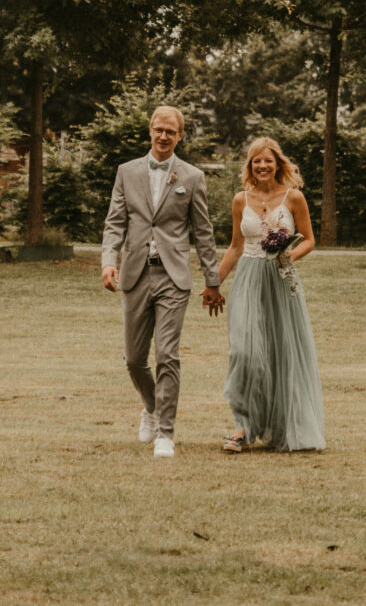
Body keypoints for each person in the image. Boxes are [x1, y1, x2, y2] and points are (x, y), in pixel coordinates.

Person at [100, 105, 222, 458]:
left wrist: (212, 280)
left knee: (167, 354)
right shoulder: (127, 172)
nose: (164, 136)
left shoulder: (192, 176)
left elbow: (203, 232)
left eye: (171, 131)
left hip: (173, 276)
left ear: (180, 135)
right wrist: (110, 261)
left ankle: (165, 434)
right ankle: (151, 406)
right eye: (159, 130)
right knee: (134, 359)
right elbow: (115, 222)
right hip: (135, 275)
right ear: (150, 131)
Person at [212, 137, 324, 453]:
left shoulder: (294, 198)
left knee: (282, 351)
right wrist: (213, 283)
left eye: (267, 161)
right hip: (247, 278)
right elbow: (235, 246)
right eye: (256, 161)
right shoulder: (240, 200)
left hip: (281, 280)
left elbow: (309, 240)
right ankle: (241, 426)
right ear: (250, 166)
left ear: (278, 164)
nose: (262, 166)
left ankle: (286, 427)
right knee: (245, 352)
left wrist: (288, 256)